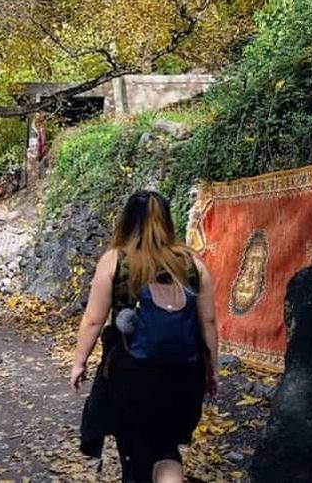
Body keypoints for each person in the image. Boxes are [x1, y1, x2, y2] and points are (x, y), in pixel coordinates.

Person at [71, 191, 218, 483]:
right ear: (168, 221)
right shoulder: (191, 263)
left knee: (135, 455)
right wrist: (211, 370)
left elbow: (93, 320)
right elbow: (209, 322)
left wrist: (79, 362)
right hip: (184, 375)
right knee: (166, 450)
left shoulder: (116, 260)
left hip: (132, 375)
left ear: (126, 221)